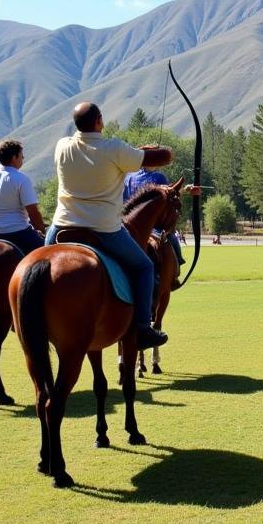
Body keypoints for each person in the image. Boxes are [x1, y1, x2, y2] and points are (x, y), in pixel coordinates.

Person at [45, 102, 179, 351]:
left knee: (38, 263)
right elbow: (163, 158)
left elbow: (95, 155)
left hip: (62, 226)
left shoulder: (62, 146)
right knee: (144, 267)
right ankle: (142, 328)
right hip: (104, 229)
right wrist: (157, 151)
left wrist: (135, 151)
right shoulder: (115, 149)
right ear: (99, 121)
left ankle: (23, 317)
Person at [0, 140, 47, 256]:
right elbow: (33, 212)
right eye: (21, 157)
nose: (22, 159)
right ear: (14, 157)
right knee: (47, 255)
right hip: (17, 233)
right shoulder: (22, 179)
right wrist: (42, 231)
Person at [123, 167, 186, 268]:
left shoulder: (129, 177)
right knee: (171, 237)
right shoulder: (159, 177)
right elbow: (169, 194)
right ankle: (177, 263)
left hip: (127, 222)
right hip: (152, 224)